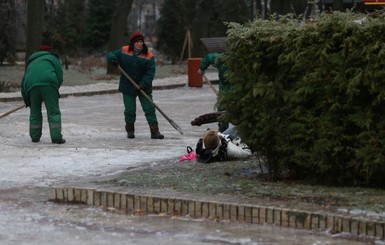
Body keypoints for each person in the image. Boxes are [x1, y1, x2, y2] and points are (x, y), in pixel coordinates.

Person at [106, 32, 164, 139]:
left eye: (141, 42)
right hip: (127, 86)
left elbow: (150, 73)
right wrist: (112, 59)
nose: (139, 44)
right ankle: (130, 130)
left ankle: (154, 131)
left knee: (149, 108)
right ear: (133, 43)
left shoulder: (148, 56)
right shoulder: (124, 50)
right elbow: (110, 54)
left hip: (143, 87)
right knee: (130, 110)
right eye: (137, 42)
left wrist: (143, 84)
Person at [21, 44, 65, 144]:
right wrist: (54, 88)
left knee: (35, 112)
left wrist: (26, 98)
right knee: (53, 112)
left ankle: (35, 137)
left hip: (31, 86)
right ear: (49, 51)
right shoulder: (52, 58)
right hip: (49, 84)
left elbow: (24, 81)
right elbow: (59, 74)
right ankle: (56, 137)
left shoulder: (31, 61)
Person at [198, 53, 230, 132]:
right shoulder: (219, 59)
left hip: (237, 84)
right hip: (224, 85)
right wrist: (202, 68)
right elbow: (208, 58)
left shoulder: (241, 62)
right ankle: (223, 128)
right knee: (222, 107)